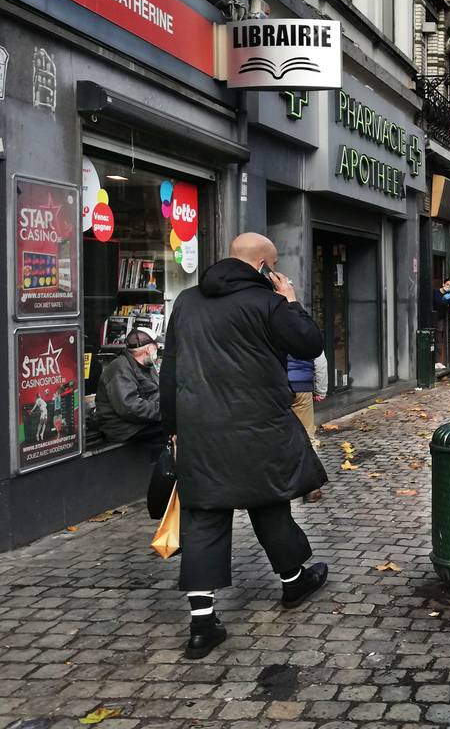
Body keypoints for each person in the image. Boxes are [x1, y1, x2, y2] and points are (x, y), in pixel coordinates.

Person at [161, 232, 328, 661]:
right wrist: (290, 299)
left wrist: (173, 428)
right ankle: (293, 583)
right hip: (258, 428)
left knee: (204, 518)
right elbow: (310, 344)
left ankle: (202, 624)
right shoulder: (268, 303)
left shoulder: (187, 301)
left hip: (201, 429)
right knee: (270, 503)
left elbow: (171, 368)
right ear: (265, 268)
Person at [96, 327, 165, 453]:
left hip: (140, 422)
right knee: (175, 427)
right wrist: (165, 412)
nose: (157, 352)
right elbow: (130, 408)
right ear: (149, 349)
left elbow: (155, 393)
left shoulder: (147, 365)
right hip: (124, 428)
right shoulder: (119, 368)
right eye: (157, 347)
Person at [288, 350, 329, 503]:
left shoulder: (266, 326)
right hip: (301, 387)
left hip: (274, 387)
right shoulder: (303, 328)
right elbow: (320, 361)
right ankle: (311, 487)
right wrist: (320, 389)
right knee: (306, 435)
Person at [432, 279, 450, 369]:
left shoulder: (448, 293)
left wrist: (449, 296)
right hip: (433, 319)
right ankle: (432, 361)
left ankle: (437, 361)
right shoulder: (435, 292)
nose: (448, 286)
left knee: (439, 339)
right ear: (443, 284)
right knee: (432, 340)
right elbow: (438, 303)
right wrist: (445, 299)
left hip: (441, 319)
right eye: (447, 284)